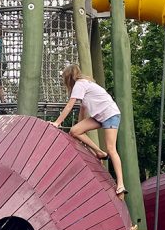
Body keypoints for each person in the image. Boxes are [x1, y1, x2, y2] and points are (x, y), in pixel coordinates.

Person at [51, 64, 126, 198]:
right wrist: (80, 128)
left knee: (111, 149)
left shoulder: (80, 84)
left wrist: (57, 122)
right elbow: (83, 109)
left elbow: (69, 106)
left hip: (110, 115)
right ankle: (99, 152)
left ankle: (120, 184)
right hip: (99, 116)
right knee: (74, 131)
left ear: (69, 78)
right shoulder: (85, 86)